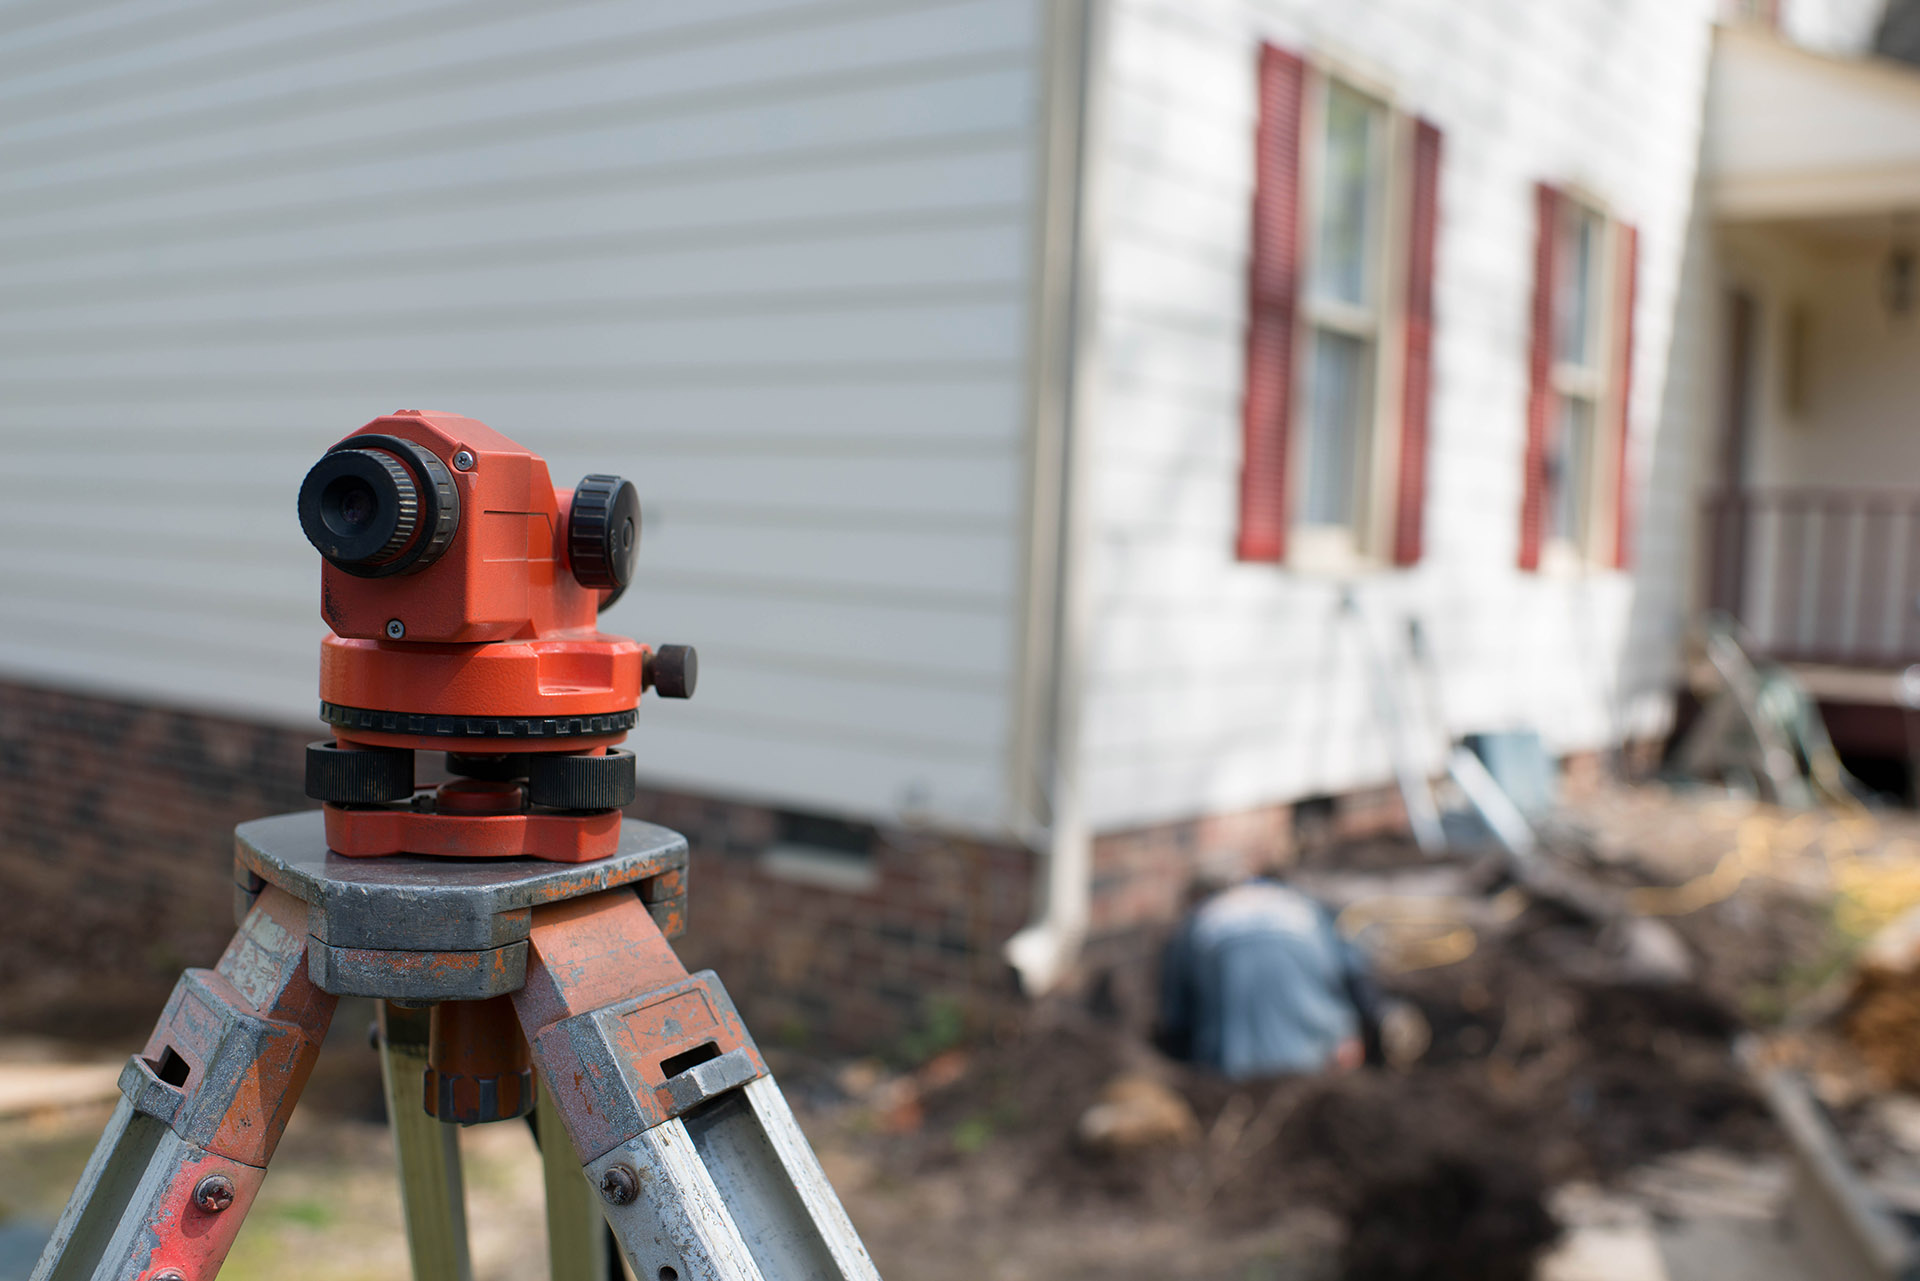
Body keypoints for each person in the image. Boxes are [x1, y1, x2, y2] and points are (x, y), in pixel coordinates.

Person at [1158, 878, 1382, 1079]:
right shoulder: (1305, 904)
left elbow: (1176, 1019)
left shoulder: (1196, 922)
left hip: (1232, 1065)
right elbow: (1356, 977)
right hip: (1321, 1057)